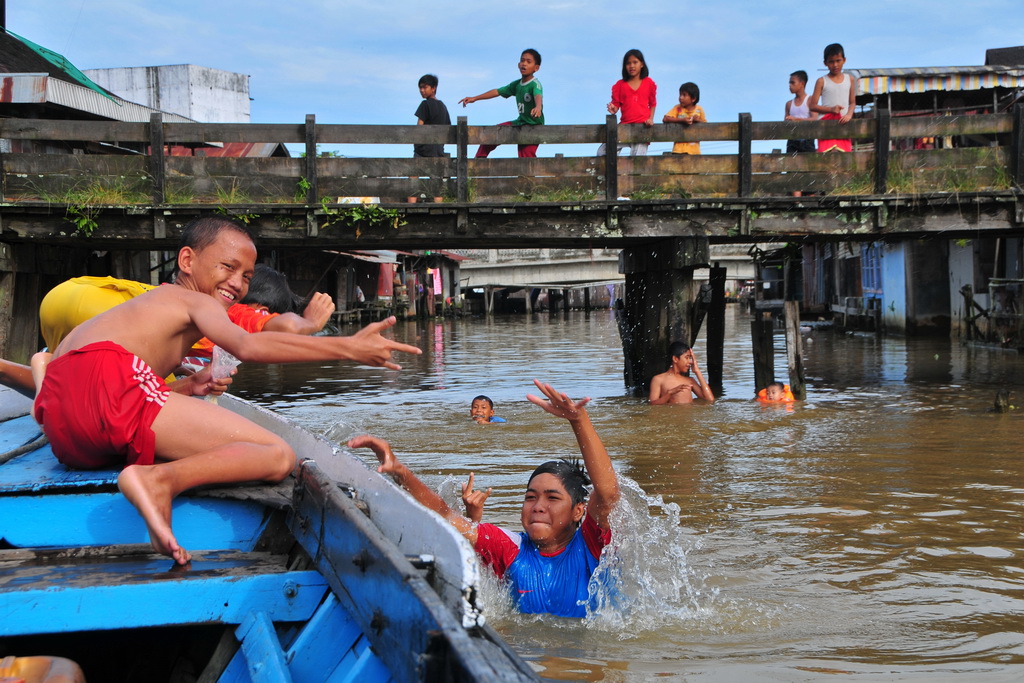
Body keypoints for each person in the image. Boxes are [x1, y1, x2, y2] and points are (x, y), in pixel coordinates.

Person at [31, 216, 421, 566]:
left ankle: (153, 481)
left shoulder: (132, 311)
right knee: (277, 455)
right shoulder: (194, 300)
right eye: (227, 267)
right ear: (187, 261)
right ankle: (160, 481)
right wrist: (346, 347)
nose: (237, 282)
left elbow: (70, 382)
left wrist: (184, 387)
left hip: (63, 430)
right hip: (106, 383)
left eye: (247, 276)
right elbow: (248, 346)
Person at [350, 380, 620, 618]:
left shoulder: (590, 545)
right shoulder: (509, 547)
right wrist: (400, 471)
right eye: (530, 497)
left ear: (577, 511)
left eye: (552, 498)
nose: (538, 506)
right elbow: (445, 516)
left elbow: (607, 493)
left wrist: (579, 421)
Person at [189, 263, 335, 361]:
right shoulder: (237, 313)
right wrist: (312, 322)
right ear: (262, 311)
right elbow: (288, 327)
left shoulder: (199, 302)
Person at [459, 49, 543, 158]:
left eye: (528, 61)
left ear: (536, 68)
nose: (524, 64)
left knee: (526, 156)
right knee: (493, 134)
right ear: (518, 64)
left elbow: (538, 95)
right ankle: (478, 162)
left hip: (533, 125)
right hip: (520, 122)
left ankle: (528, 175)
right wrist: (475, 98)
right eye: (522, 61)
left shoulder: (535, 84)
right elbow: (497, 91)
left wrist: (538, 107)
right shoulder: (516, 85)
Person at [599, 49, 657, 157]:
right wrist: (613, 108)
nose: (632, 66)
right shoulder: (620, 85)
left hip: (642, 127)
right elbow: (616, 105)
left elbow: (653, 103)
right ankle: (616, 173)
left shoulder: (649, 83)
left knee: (637, 161)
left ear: (642, 64)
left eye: (635, 62)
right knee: (602, 152)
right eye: (628, 63)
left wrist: (651, 119)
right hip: (624, 127)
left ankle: (629, 174)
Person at [410, 73, 451, 203]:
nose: (422, 90)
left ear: (433, 88)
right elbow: (447, 128)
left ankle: (410, 208)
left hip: (423, 149)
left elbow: (419, 127)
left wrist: (416, 144)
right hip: (438, 149)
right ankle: (439, 208)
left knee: (413, 176)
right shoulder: (443, 106)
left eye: (425, 87)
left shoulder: (425, 104)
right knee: (436, 179)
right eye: (420, 88)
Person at [808, 43, 856, 153]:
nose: (835, 65)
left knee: (844, 159)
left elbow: (852, 103)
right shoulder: (821, 81)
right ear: (825, 63)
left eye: (838, 60)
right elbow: (812, 106)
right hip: (826, 124)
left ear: (844, 60)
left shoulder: (850, 79)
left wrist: (848, 115)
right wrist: (831, 110)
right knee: (827, 157)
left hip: (844, 123)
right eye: (831, 61)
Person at [648, 341, 715, 404]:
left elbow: (710, 400)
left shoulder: (690, 381)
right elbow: (652, 404)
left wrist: (697, 371)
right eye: (687, 358)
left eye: (690, 358)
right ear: (675, 359)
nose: (690, 362)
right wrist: (669, 393)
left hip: (689, 415)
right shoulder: (658, 379)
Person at [662, 82, 705, 155]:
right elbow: (666, 119)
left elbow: (706, 126)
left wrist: (697, 120)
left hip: (694, 151)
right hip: (678, 150)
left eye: (684, 95)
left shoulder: (699, 110)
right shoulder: (677, 108)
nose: (680, 97)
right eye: (680, 95)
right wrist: (682, 120)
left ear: (693, 99)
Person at [785, 70, 818, 154]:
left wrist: (796, 119)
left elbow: (814, 119)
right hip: (792, 141)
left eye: (793, 83)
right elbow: (785, 123)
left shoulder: (810, 100)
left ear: (802, 84)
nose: (790, 86)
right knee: (790, 166)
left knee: (809, 166)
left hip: (807, 140)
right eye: (789, 83)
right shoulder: (788, 104)